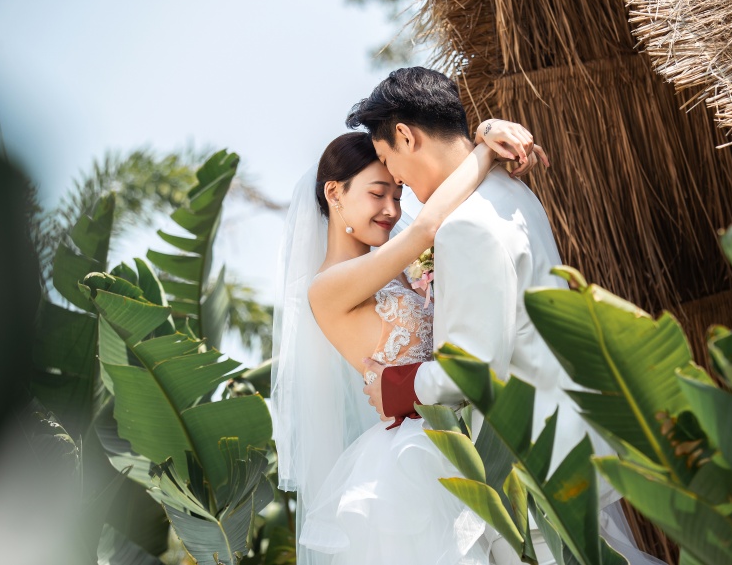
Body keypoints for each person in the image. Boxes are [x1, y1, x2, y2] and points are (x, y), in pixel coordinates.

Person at [353, 67, 665, 565]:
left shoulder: (465, 226)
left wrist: (393, 388)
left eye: (390, 161)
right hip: (569, 439)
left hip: (532, 464)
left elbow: (472, 367)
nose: (398, 182)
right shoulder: (511, 191)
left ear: (406, 136)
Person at [270, 119, 546, 565]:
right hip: (415, 457)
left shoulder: (395, 265)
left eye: (398, 196)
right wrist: (484, 146)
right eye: (378, 194)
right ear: (334, 193)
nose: (392, 210)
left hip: (471, 427)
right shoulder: (326, 288)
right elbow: (428, 229)